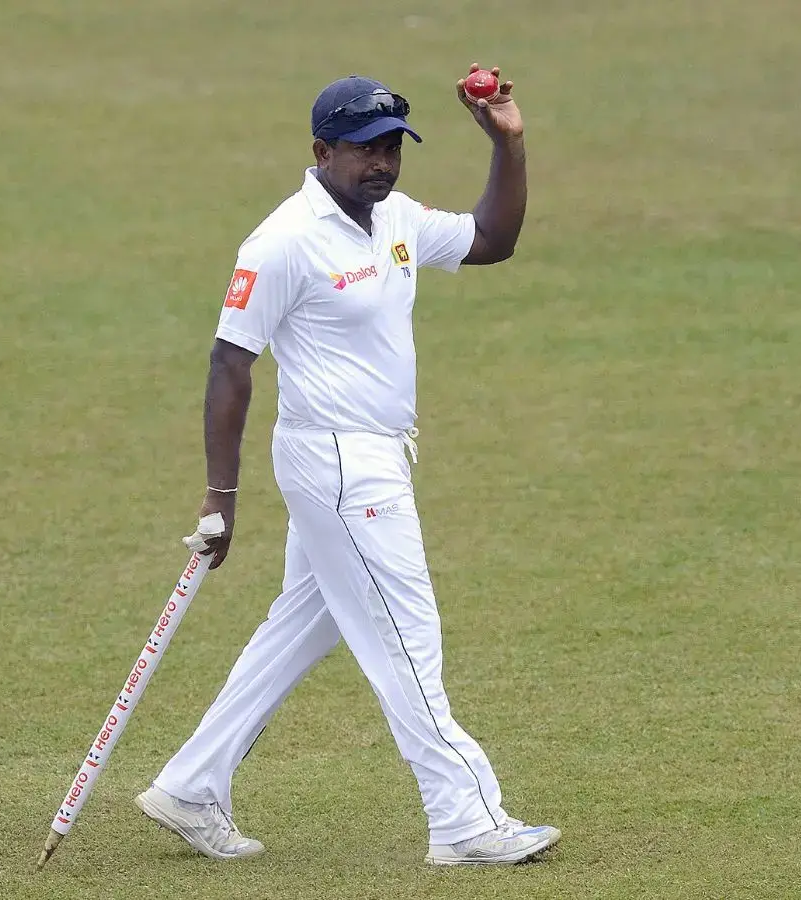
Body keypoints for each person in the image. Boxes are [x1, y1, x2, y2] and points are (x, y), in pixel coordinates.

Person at [134, 65, 560, 867]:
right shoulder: (282, 242)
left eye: (393, 146)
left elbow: (490, 241)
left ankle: (192, 784)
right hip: (336, 465)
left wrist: (508, 145)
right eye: (365, 149)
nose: (384, 163)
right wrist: (219, 497)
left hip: (376, 457)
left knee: (305, 623)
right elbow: (230, 363)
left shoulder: (392, 217)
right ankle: (466, 820)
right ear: (322, 150)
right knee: (407, 637)